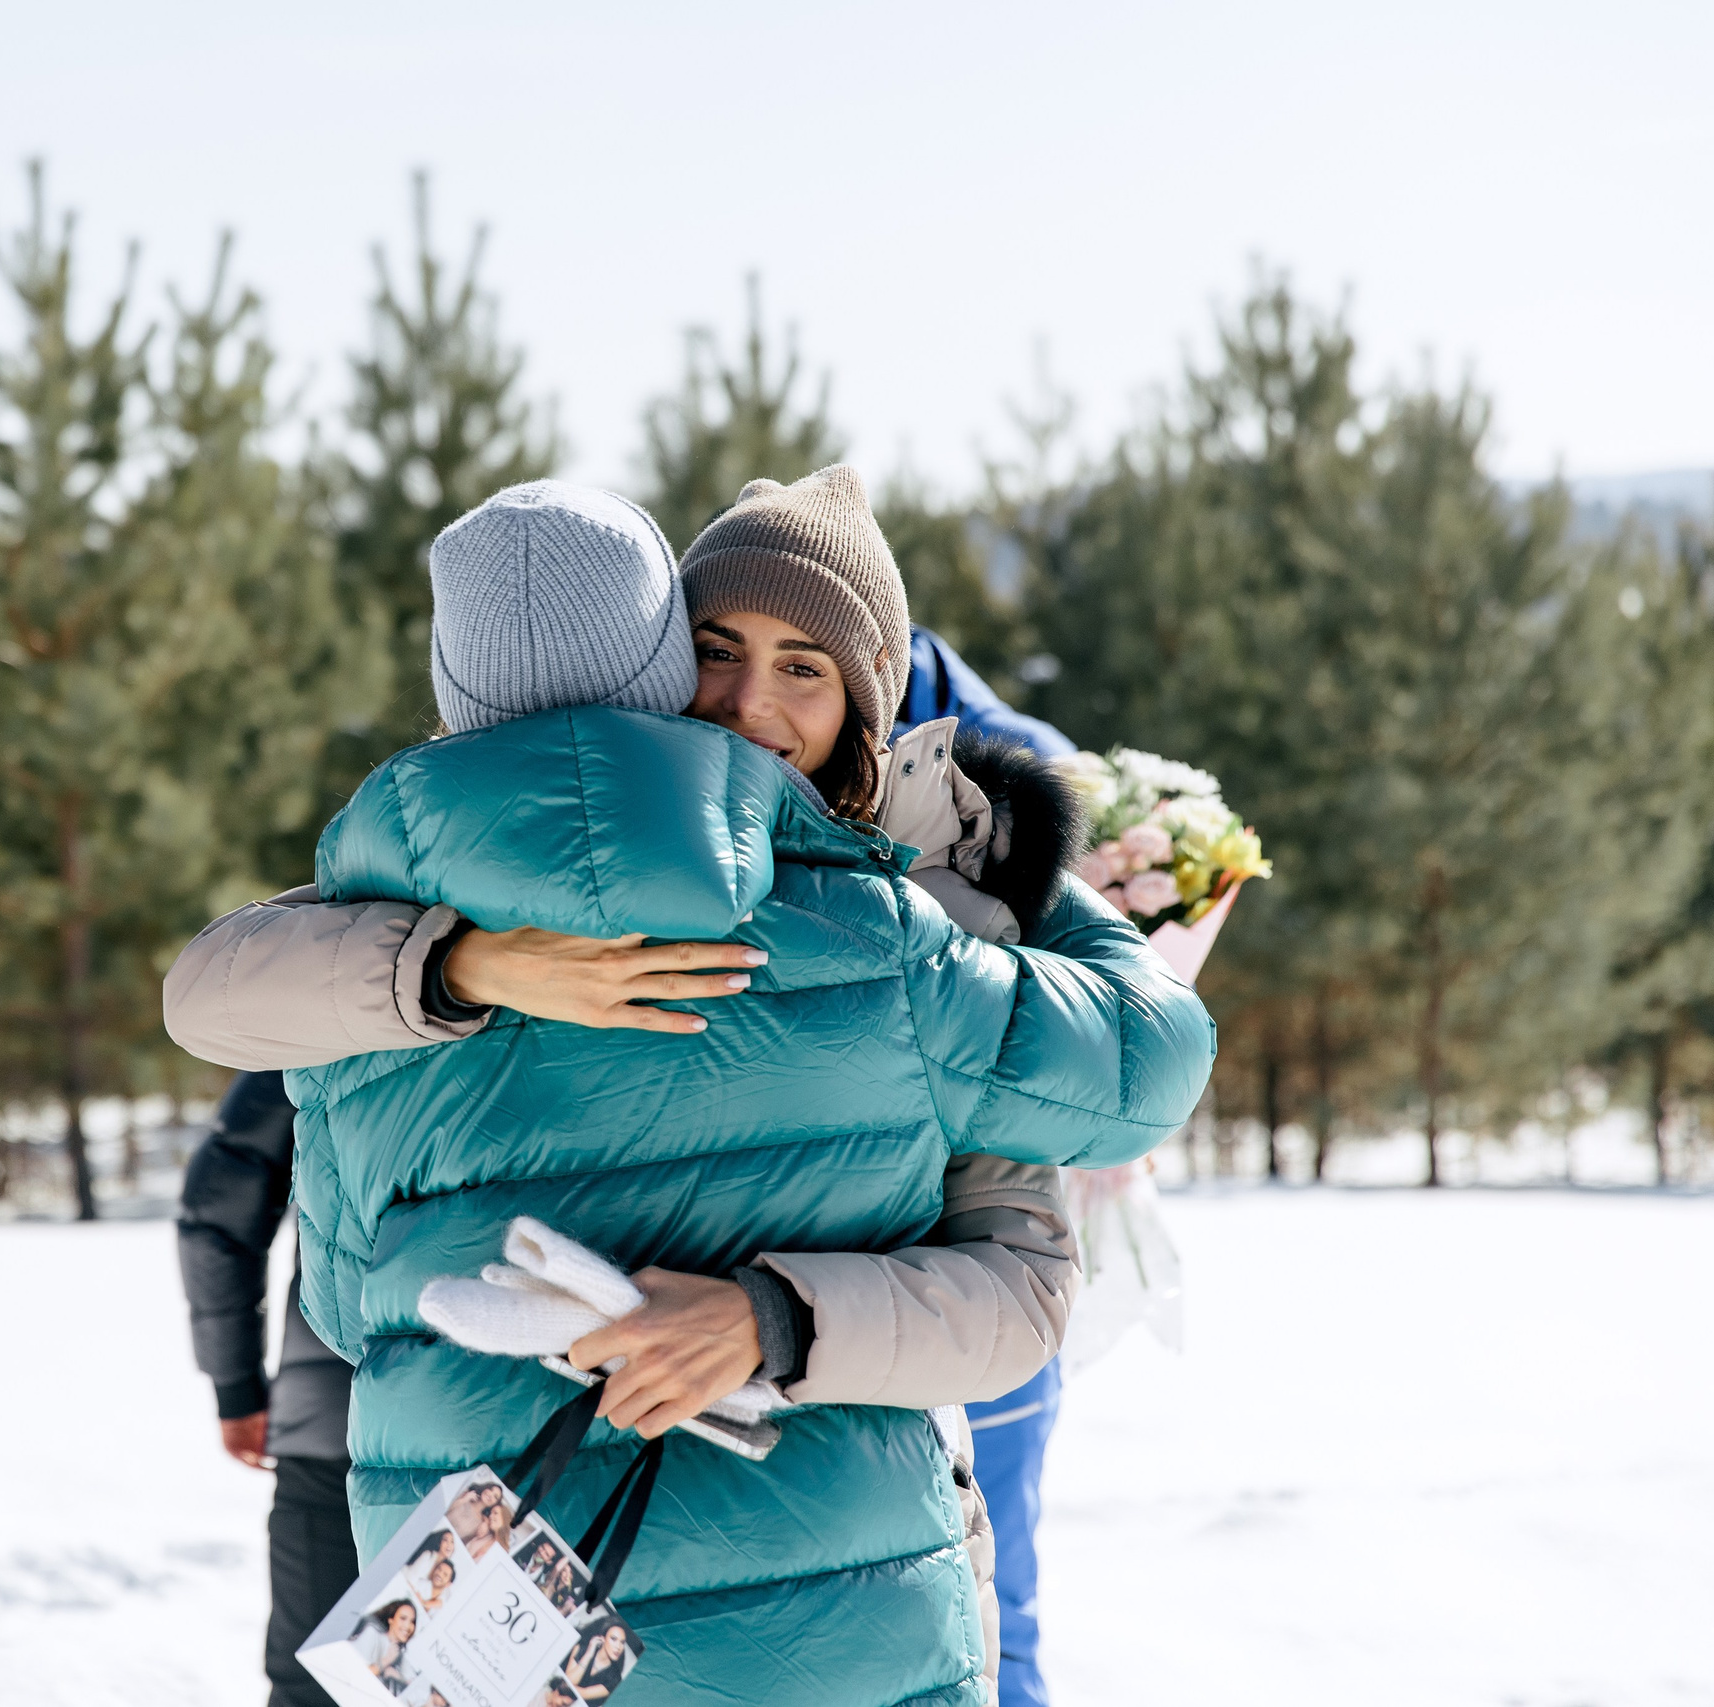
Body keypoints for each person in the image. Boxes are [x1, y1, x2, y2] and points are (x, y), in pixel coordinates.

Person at [167, 472, 1214, 1704]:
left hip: (526, 1613)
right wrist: (1023, 876)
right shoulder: (902, 946)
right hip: (835, 1626)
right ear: (661, 661)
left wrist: (764, 1317)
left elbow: (347, 1301)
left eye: (806, 668)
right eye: (717, 650)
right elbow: (1145, 1065)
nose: (750, 703)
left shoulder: (386, 942)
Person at [890, 630, 1078, 1707]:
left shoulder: (1012, 780)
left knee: (981, 1564)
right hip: (965, 1252)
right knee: (990, 1578)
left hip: (981, 1241)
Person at [176, 1071, 354, 1707]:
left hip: (341, 1418)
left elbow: (219, 1214)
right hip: (559, 1411)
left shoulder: (330, 997)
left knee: (317, 1685)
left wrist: (237, 1387)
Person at [350, 1599, 418, 1692]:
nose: (408, 1626)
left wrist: (397, 1676)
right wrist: (385, 1662)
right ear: (391, 1619)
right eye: (403, 1618)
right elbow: (354, 1673)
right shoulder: (372, 1634)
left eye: (412, 1621)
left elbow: (412, 1681)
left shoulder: (399, 1653)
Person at [565, 1620, 635, 1702]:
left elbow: (582, 1693)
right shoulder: (580, 1649)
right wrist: (588, 1654)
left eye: (622, 1642)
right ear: (602, 1638)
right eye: (613, 1639)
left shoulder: (615, 1679)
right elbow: (568, 1681)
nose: (618, 1647)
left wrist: (566, 1685)